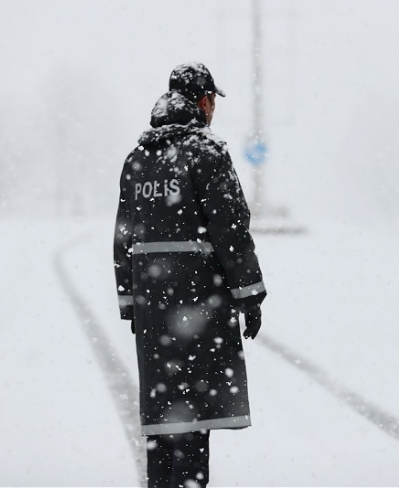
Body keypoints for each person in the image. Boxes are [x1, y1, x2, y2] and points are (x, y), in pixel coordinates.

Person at [113, 62, 267, 488]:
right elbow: (230, 229)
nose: (213, 107)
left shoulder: (137, 158)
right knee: (194, 418)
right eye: (212, 99)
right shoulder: (207, 152)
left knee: (162, 421)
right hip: (197, 304)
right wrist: (249, 294)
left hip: (153, 309)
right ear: (203, 101)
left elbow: (123, 232)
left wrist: (130, 299)